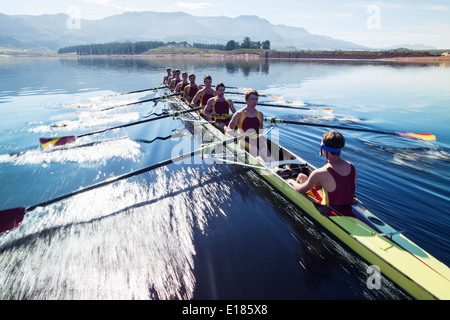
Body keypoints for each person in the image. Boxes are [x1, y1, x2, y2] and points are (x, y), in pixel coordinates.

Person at [287, 130, 357, 206]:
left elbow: (300, 190)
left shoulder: (321, 173)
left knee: (299, 179)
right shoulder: (351, 166)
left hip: (328, 209)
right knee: (301, 176)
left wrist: (291, 181)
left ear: (324, 149)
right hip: (348, 205)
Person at [225, 89, 272, 162]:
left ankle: (275, 167)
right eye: (252, 99)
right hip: (244, 140)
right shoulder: (238, 114)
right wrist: (240, 135)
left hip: (256, 138)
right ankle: (267, 168)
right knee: (256, 152)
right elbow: (229, 131)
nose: (254, 101)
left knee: (266, 151)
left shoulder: (260, 114)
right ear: (246, 100)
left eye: (256, 99)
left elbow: (261, 130)